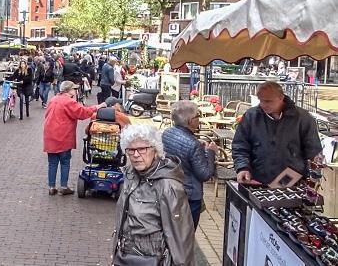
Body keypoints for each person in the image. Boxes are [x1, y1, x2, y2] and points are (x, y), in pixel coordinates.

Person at [112, 125, 194, 265]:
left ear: (155, 150)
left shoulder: (168, 186)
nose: (136, 155)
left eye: (142, 149)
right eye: (131, 150)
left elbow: (181, 238)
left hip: (153, 260)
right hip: (126, 258)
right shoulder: (131, 176)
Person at [232, 81, 322, 185]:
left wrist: (311, 179)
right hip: (257, 180)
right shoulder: (251, 116)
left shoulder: (303, 118)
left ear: (281, 97)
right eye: (261, 100)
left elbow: (313, 151)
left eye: (268, 101)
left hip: (293, 182)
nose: (263, 105)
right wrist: (242, 167)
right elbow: (240, 145)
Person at [43, 81, 106, 195]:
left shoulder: (53, 99)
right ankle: (63, 186)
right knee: (65, 161)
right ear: (69, 90)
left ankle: (51, 187)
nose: (75, 91)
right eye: (74, 89)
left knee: (52, 163)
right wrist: (98, 107)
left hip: (50, 135)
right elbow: (82, 112)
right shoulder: (69, 101)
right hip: (62, 135)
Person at [162, 101, 217, 230]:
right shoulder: (193, 144)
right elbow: (205, 174)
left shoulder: (167, 133)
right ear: (190, 120)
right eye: (198, 116)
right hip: (190, 196)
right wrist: (211, 152)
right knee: (186, 235)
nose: (199, 119)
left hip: (171, 189)